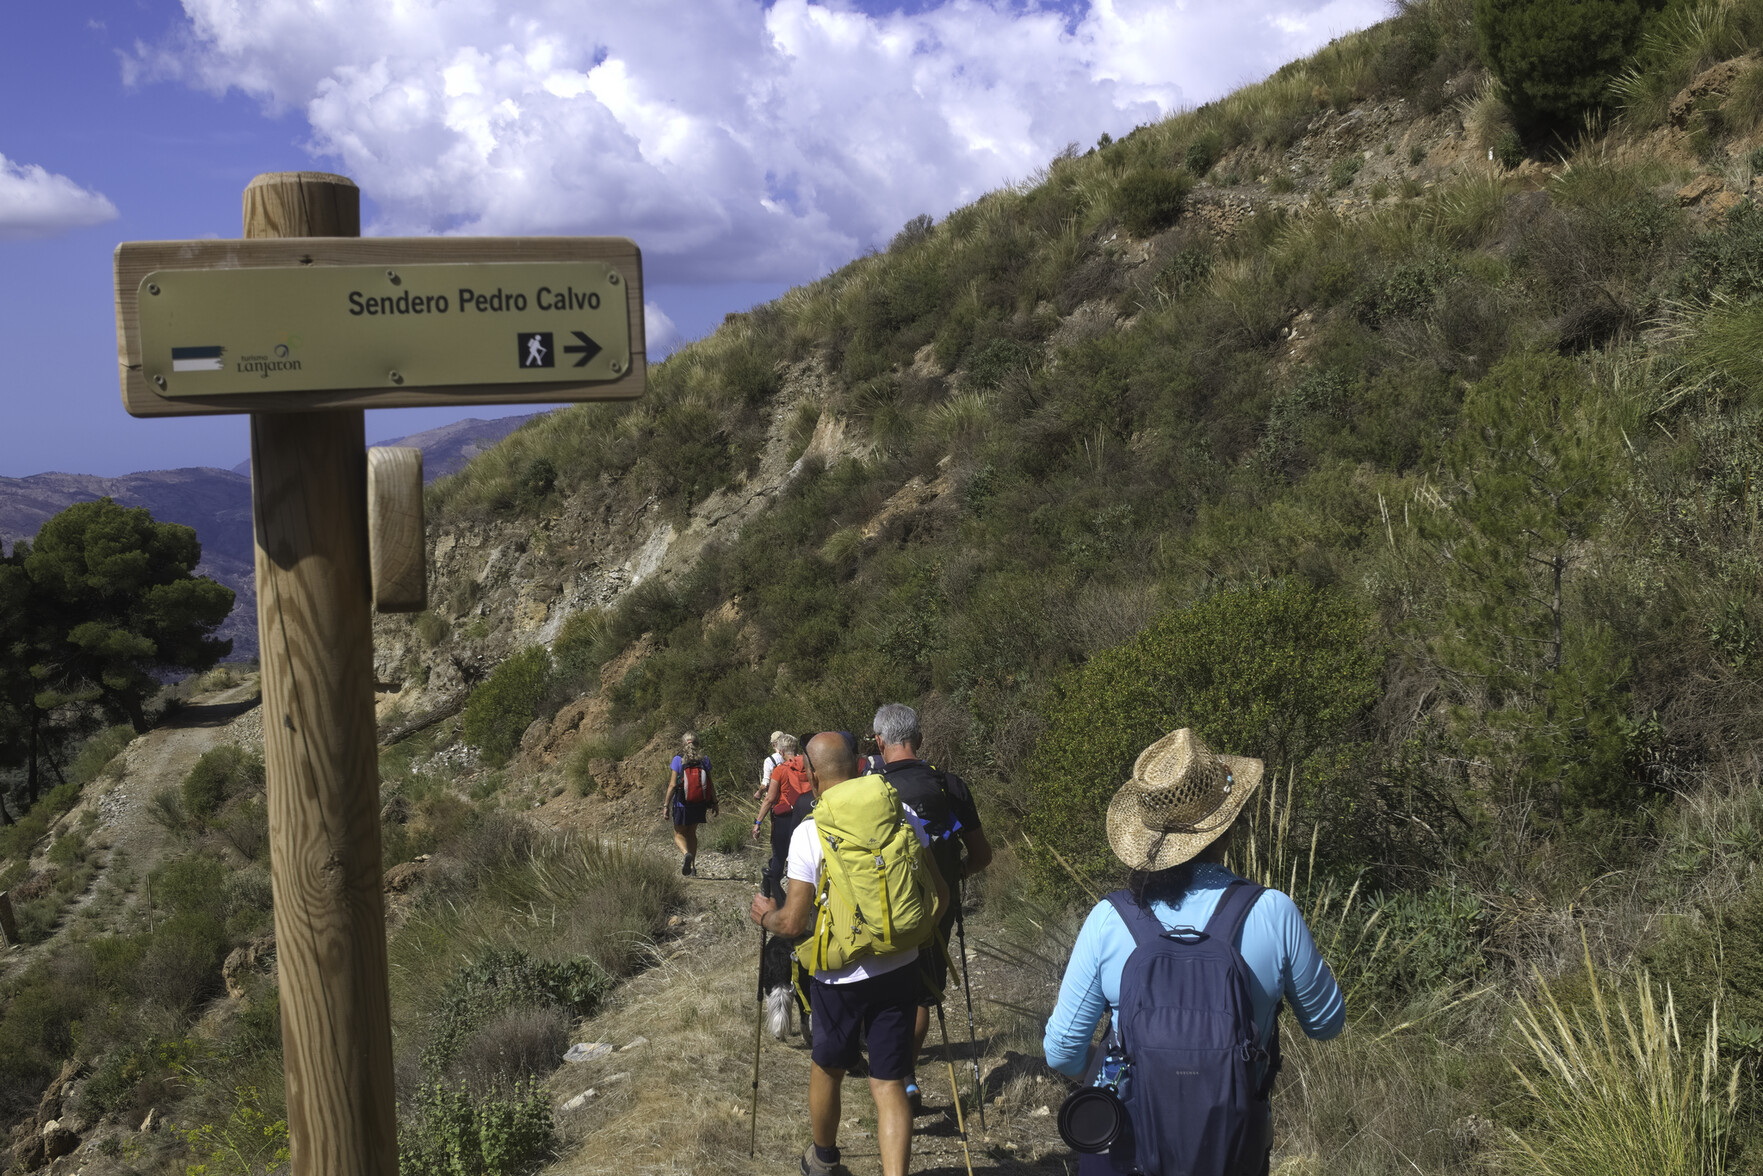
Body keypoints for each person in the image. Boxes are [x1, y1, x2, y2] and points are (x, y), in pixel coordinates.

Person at [1042, 728, 1345, 1176]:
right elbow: (1326, 1024)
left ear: (1146, 835)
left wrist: (1131, 1071)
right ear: (1228, 826)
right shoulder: (1273, 911)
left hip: (1127, 1149)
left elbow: (1062, 1052)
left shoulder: (1110, 919)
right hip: (1234, 1149)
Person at [750, 732, 949, 1176]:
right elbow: (939, 894)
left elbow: (794, 923)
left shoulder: (809, 833)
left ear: (814, 778)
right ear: (860, 765)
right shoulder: (904, 814)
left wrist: (765, 915)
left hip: (839, 978)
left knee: (829, 1065)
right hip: (900, 965)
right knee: (889, 1081)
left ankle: (824, 1160)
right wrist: (910, 939)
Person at [871, 702, 993, 1111]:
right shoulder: (949, 786)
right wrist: (953, 876)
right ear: (920, 741)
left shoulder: (866, 789)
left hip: (876, 909)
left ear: (878, 742)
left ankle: (883, 1071)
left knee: (881, 991)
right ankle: (904, 1076)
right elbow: (981, 856)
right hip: (935, 911)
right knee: (921, 996)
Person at [661, 731, 717, 876]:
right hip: (699, 803)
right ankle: (692, 868)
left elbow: (673, 785)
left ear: (682, 744)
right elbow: (710, 783)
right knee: (692, 833)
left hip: (682, 803)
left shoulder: (678, 760)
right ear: (697, 744)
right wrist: (715, 802)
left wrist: (666, 805)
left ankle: (686, 854)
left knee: (679, 834)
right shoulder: (704, 760)